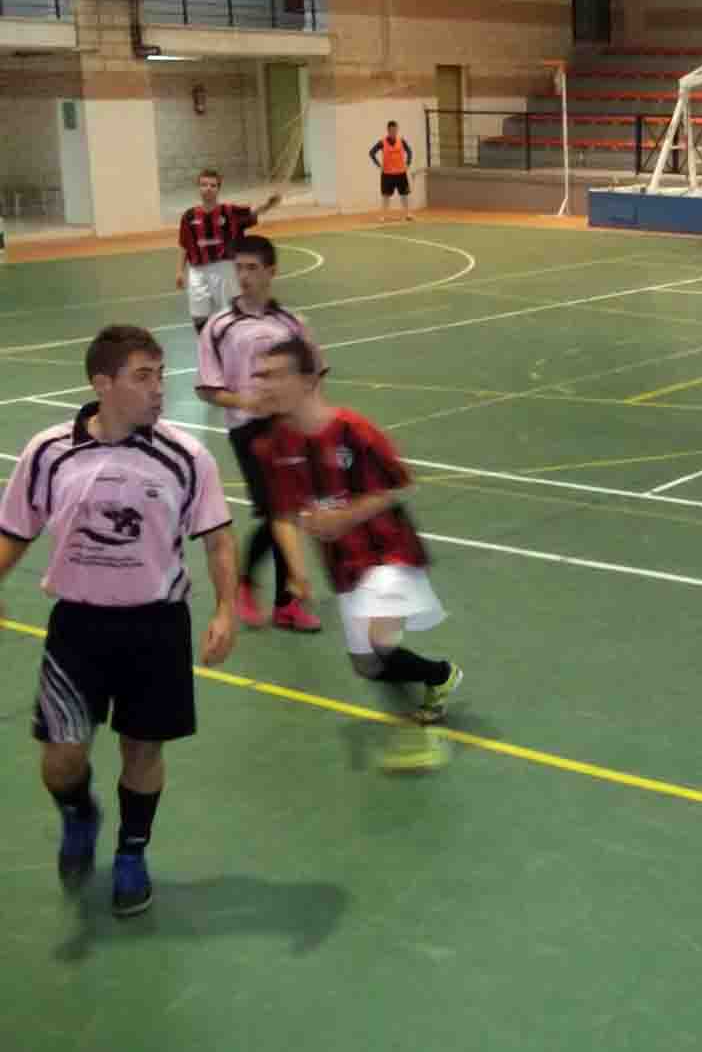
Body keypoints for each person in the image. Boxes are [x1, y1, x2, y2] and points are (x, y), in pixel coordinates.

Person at [0, 325, 237, 916]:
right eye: (143, 376)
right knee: (62, 756)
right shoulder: (50, 452)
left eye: (160, 375)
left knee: (143, 751)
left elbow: (219, 539)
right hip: (78, 626)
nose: (159, 389)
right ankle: (79, 812)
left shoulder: (186, 456)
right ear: (102, 384)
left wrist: (226, 609)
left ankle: (132, 853)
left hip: (156, 627)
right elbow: (14, 532)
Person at [253, 336, 463, 772]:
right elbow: (284, 515)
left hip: (390, 553)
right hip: (344, 568)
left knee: (376, 641)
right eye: (261, 375)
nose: (264, 384)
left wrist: (344, 518)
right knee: (368, 665)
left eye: (274, 375)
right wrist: (297, 573)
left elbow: (400, 484)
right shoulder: (275, 446)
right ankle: (439, 676)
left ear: (308, 381)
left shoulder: (354, 431)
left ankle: (418, 738)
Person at [195, 235, 321, 633]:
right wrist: (249, 403)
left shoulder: (291, 323)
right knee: (274, 510)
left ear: (271, 271)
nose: (244, 277)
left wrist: (313, 419)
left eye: (252, 268)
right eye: (239, 268)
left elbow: (313, 374)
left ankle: (286, 603)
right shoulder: (219, 326)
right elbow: (207, 388)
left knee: (288, 512)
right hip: (247, 429)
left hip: (288, 426)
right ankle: (250, 581)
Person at [175, 169, 280, 334]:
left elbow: (253, 212)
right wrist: (180, 271)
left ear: (218, 188)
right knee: (198, 315)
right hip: (197, 270)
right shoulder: (188, 216)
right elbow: (184, 244)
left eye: (213, 185)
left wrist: (269, 204)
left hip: (224, 267)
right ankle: (207, 344)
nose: (208, 188)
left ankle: (234, 342)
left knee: (231, 312)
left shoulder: (230, 212)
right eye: (204, 185)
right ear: (198, 187)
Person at [369, 120, 414, 223]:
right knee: (386, 195)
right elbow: (371, 153)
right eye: (392, 130)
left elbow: (409, 151)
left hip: (401, 173)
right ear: (388, 130)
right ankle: (383, 216)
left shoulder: (401, 141)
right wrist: (378, 165)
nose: (394, 132)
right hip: (387, 174)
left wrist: (408, 163)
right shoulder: (382, 142)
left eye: (395, 130)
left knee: (404, 194)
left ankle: (408, 214)